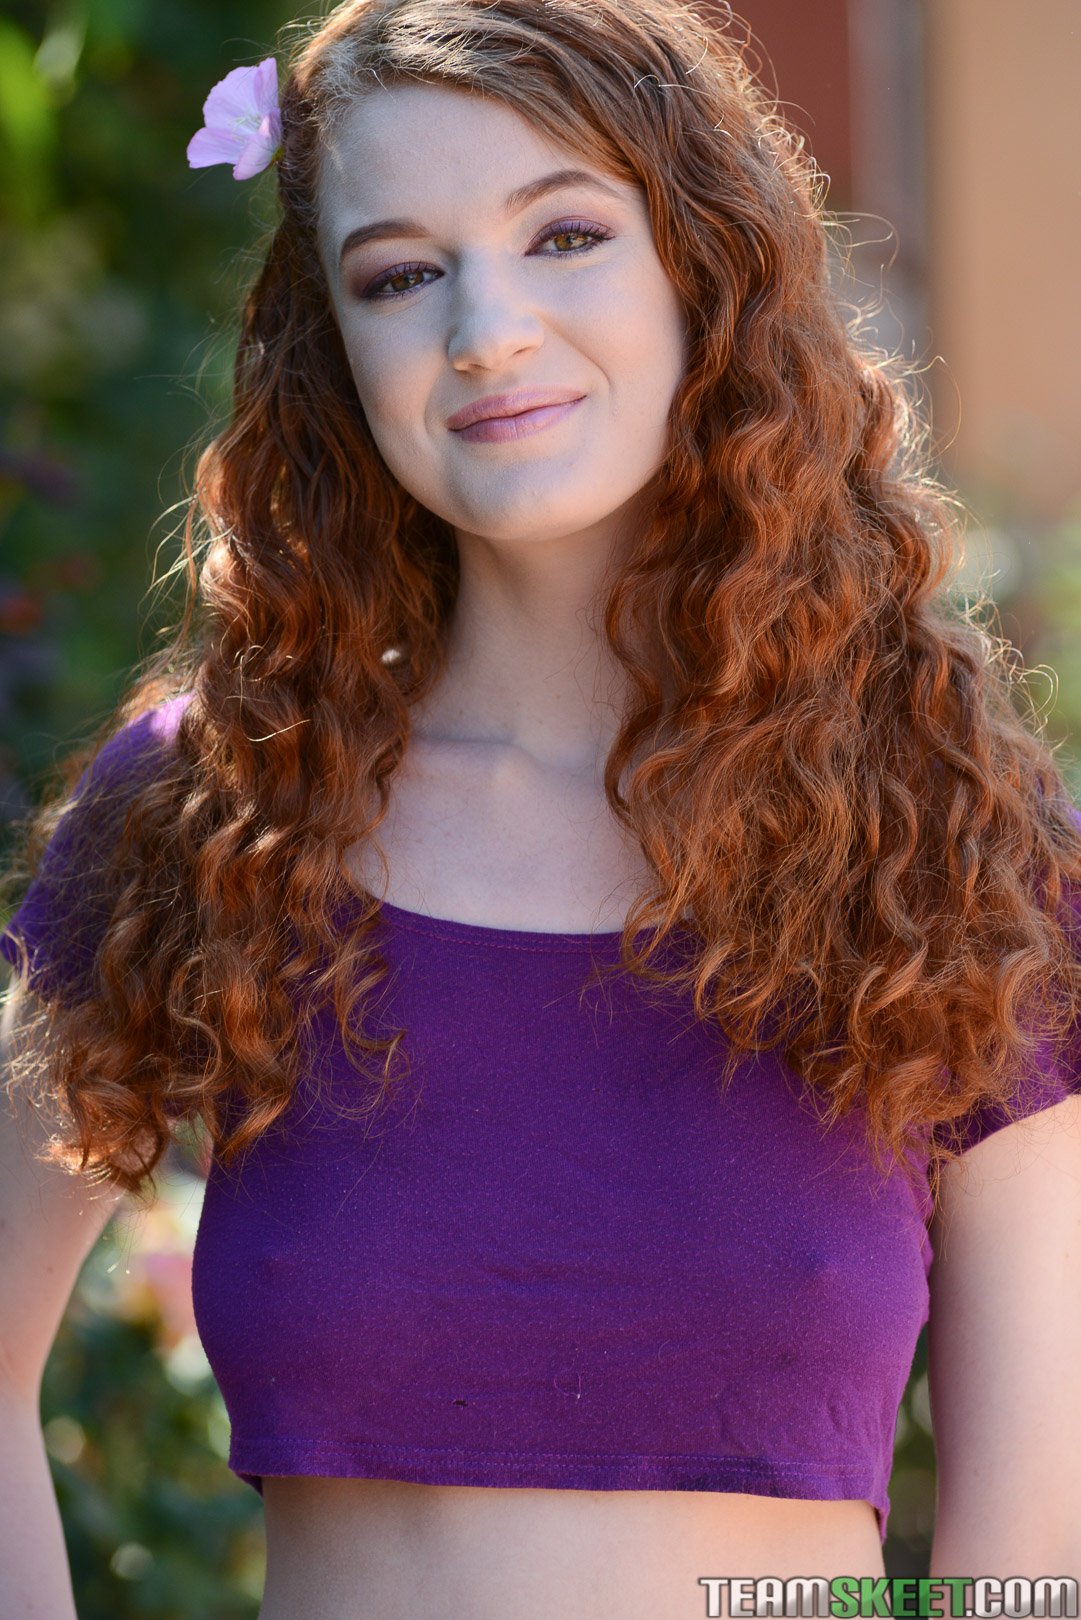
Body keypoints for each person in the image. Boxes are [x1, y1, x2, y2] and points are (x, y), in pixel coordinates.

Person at [2, 1, 1080, 1615]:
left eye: (562, 235)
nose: (485, 331)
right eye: (398, 274)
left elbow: (1031, 1555)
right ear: (329, 344)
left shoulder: (945, 833)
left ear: (699, 263)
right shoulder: (213, 808)